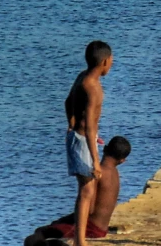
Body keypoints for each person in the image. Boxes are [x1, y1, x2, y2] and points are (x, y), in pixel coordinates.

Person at [25, 137, 132, 246]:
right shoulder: (115, 173)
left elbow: (89, 209)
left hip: (90, 229)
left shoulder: (98, 173)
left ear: (104, 149)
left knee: (34, 238)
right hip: (101, 229)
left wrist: (63, 220)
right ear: (122, 160)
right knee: (52, 229)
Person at [64, 41, 113, 246]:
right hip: (84, 141)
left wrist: (71, 123)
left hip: (77, 137)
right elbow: (91, 126)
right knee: (87, 192)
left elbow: (67, 101)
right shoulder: (94, 89)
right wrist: (96, 160)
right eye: (111, 61)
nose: (111, 64)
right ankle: (80, 241)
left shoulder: (82, 77)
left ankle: (79, 238)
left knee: (85, 189)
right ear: (104, 61)